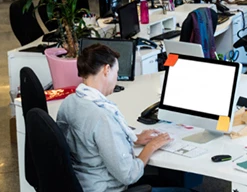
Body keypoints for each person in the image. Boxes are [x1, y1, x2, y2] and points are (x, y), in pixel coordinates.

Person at [56, 44, 190, 192]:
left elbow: (91, 145)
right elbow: (129, 175)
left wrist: (134, 138)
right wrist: (151, 147)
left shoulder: (69, 102)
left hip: (83, 182)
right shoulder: (102, 117)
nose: (117, 78)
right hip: (105, 187)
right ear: (107, 70)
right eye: (116, 72)